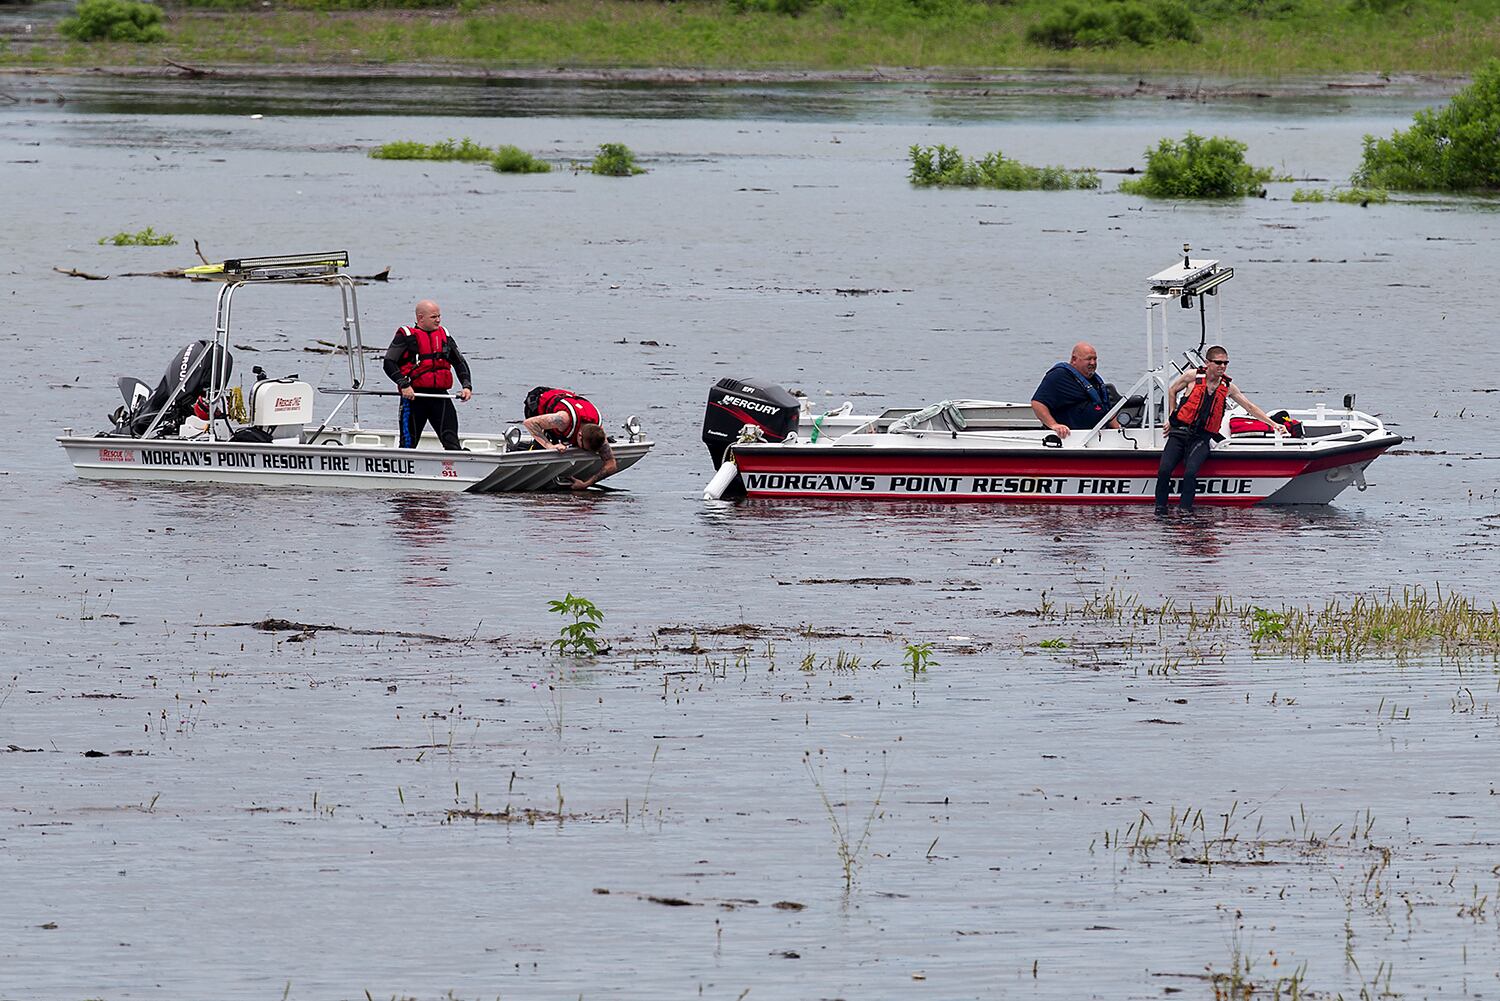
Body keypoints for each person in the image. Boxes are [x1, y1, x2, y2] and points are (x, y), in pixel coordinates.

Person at [1154, 345, 1286, 515]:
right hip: (1179, 432)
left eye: (1225, 363)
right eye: (1218, 363)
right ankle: (1160, 510)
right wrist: (1171, 417)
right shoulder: (1191, 377)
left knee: (1190, 472)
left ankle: (1185, 511)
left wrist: (1273, 424)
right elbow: (1172, 390)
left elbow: (1249, 407)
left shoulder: (1228, 387)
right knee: (1164, 470)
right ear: (1207, 363)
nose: (1222, 366)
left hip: (1201, 437)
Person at [383, 299, 473, 450]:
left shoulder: (444, 335)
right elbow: (389, 363)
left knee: (452, 442)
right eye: (433, 317)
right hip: (414, 398)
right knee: (408, 444)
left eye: (439, 316)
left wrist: (466, 386)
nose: (438, 320)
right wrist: (404, 385)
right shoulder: (406, 337)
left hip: (440, 397)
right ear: (420, 318)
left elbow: (459, 362)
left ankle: (455, 467)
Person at [522, 387, 619, 491]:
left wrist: (586, 484)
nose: (584, 451)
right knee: (545, 442)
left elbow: (611, 465)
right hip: (537, 401)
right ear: (580, 435)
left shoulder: (598, 434)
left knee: (560, 441)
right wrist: (549, 446)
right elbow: (529, 423)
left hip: (570, 402)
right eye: (584, 448)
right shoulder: (563, 420)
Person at [1031, 341, 1121, 439]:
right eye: (1088, 359)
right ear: (1074, 359)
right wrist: (1054, 425)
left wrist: (1118, 429)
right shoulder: (1059, 376)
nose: (1093, 363)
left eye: (1095, 359)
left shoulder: (1094, 380)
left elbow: (1105, 409)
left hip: (1098, 436)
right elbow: (1037, 403)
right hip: (1071, 438)